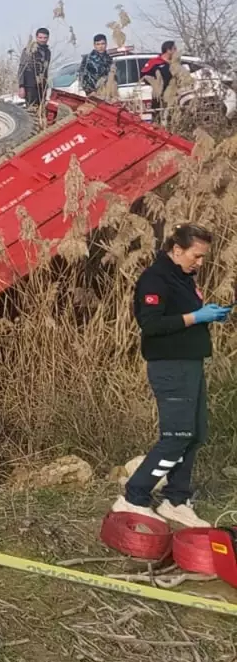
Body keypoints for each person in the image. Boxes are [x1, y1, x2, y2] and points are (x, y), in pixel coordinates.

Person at [113, 224, 229, 529]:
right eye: (197, 256)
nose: (200, 263)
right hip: (170, 367)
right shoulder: (156, 278)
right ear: (177, 250)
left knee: (195, 434)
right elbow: (151, 325)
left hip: (190, 364)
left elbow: (180, 317)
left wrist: (210, 313)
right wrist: (196, 317)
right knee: (176, 437)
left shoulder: (182, 277)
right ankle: (133, 497)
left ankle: (176, 500)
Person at [17, 28, 51, 107]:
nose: (43, 40)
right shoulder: (29, 50)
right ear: (36, 37)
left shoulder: (47, 52)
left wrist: (46, 85)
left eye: (45, 38)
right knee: (31, 107)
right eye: (40, 38)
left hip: (42, 85)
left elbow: (46, 69)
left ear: (48, 38)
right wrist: (21, 86)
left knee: (41, 107)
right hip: (30, 84)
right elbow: (21, 68)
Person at [141, 41, 175, 120]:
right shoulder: (155, 62)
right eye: (174, 49)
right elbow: (143, 75)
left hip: (172, 97)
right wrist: (154, 84)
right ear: (168, 50)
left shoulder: (174, 64)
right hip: (159, 98)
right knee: (158, 119)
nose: (176, 51)